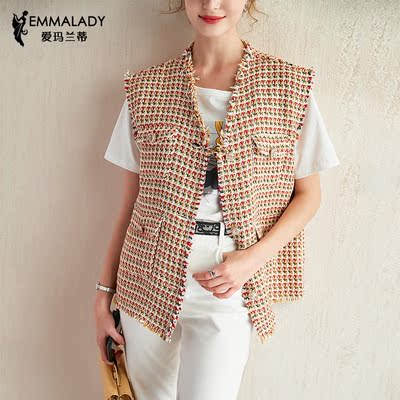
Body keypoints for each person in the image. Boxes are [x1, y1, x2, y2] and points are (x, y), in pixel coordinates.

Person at [94, 1, 340, 399]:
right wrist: (104, 295)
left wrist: (252, 260)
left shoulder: (288, 87)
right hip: (146, 279)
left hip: (228, 281)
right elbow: (131, 203)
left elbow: (309, 196)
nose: (210, 4)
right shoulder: (146, 88)